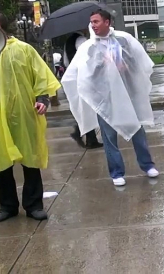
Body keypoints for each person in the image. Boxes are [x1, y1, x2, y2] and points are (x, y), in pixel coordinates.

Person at [0, 11, 61, 223]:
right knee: (1, 162)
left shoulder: (23, 50)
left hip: (24, 113)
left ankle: (34, 205)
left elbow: (40, 77)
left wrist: (42, 99)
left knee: (31, 160)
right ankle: (7, 206)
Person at [62, 10, 158, 187]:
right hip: (105, 99)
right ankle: (116, 172)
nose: (93, 25)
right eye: (91, 22)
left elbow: (139, 63)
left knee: (137, 130)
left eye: (96, 21)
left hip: (128, 96)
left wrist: (124, 66)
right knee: (109, 137)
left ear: (107, 22)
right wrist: (101, 64)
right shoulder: (89, 47)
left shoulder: (124, 39)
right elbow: (84, 74)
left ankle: (147, 165)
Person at [63, 30, 103, 149]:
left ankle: (86, 136)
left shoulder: (67, 42)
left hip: (73, 77)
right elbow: (88, 58)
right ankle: (85, 135)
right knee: (89, 107)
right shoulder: (82, 41)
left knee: (83, 107)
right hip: (84, 77)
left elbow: (66, 62)